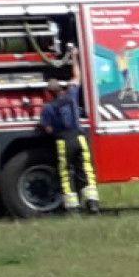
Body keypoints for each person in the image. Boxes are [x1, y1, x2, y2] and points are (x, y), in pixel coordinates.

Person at [39, 79, 99, 214]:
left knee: (65, 173)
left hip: (63, 141)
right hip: (80, 138)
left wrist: (44, 126)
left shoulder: (48, 108)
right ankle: (92, 203)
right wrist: (75, 59)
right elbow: (77, 78)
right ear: (61, 89)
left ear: (48, 93)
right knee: (86, 169)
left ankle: (73, 207)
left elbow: (48, 129)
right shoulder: (71, 96)